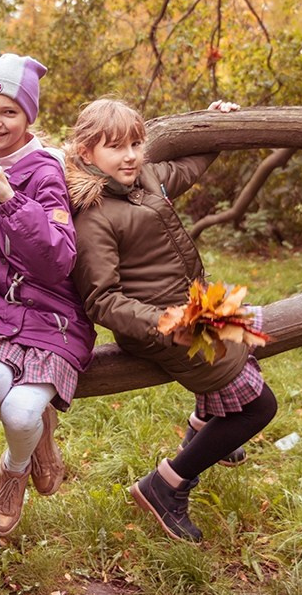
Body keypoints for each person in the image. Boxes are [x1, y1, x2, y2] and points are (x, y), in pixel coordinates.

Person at [66, 98, 278, 543]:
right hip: (163, 330)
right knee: (261, 406)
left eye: (136, 144)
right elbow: (101, 300)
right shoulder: (94, 217)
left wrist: (215, 126)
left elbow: (188, 167)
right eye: (115, 147)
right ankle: (167, 484)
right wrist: (168, 321)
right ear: (86, 153)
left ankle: (206, 427)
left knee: (249, 345)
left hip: (193, 309)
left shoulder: (145, 178)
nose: (130, 155)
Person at [0, 54, 95, 536]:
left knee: (21, 412)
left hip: (54, 321)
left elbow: (58, 260)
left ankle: (14, 471)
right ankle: (37, 438)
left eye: (9, 112)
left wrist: (9, 198)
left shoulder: (44, 171)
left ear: (28, 118)